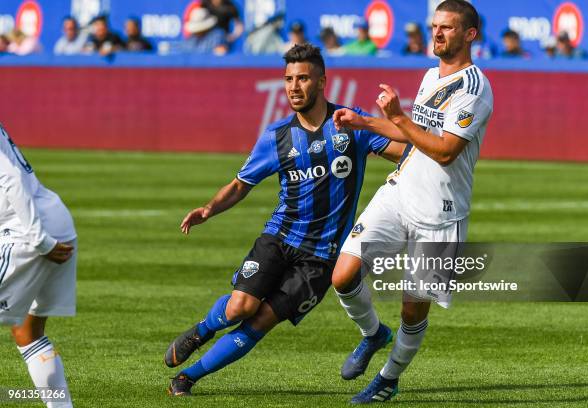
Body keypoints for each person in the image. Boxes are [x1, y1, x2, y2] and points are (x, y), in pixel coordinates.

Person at [164, 43, 405, 396]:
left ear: (322, 82)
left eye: (303, 78)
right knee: (239, 307)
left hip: (319, 258)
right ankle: (204, 328)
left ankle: (187, 378)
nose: (294, 87)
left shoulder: (351, 124)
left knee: (261, 321)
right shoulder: (276, 136)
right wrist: (209, 209)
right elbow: (240, 184)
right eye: (288, 79)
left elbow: (406, 153)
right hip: (279, 237)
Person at [331, 0, 493, 403]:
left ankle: (388, 378)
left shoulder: (474, 89)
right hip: (398, 194)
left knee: (412, 310)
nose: (437, 33)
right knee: (343, 275)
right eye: (435, 26)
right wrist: (365, 121)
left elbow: (444, 151)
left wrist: (400, 117)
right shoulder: (429, 76)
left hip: (440, 215)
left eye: (448, 28)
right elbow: (415, 132)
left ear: (469, 34)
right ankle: (372, 335)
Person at [0, 124, 77, 408]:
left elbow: (10, 179)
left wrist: (40, 241)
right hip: (52, 220)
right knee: (27, 332)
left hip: (28, 233)